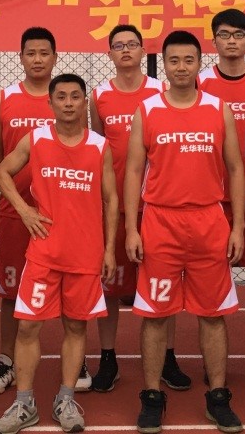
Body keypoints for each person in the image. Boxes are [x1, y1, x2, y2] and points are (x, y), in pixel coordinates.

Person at [124, 30, 245, 434]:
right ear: (165, 65)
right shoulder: (148, 110)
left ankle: (218, 397)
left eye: (188, 60)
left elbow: (235, 169)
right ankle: (151, 397)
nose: (181, 67)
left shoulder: (218, 108)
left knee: (213, 314)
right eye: (173, 60)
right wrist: (131, 227)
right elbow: (134, 171)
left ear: (198, 63)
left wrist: (238, 225)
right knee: (156, 314)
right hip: (160, 222)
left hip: (209, 220)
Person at [0, 74, 119, 434]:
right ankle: (24, 403)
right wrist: (24, 210)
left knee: (76, 326)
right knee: (29, 326)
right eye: (61, 97)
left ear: (84, 103)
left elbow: (111, 200)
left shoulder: (99, 146)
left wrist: (109, 249)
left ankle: (65, 399)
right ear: (50, 103)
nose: (68, 103)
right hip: (44, 253)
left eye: (75, 96)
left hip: (85, 255)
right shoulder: (36, 139)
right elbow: (2, 173)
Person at [0, 28, 92, 394]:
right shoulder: (3, 99)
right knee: (11, 289)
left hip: (63, 213)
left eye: (44, 53)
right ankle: (7, 361)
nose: (37, 59)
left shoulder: (68, 99)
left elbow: (83, 147)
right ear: (21, 57)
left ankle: (75, 361)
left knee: (69, 287)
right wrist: (20, 195)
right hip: (17, 212)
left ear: (55, 57)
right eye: (30, 53)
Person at [89, 25, 189, 394]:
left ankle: (167, 356)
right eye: (118, 45)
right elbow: (99, 148)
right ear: (110, 53)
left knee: (164, 282)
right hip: (115, 206)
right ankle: (108, 357)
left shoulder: (160, 91)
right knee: (110, 284)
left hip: (158, 205)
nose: (126, 50)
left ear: (143, 50)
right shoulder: (99, 95)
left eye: (132, 44)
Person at [197, 9, 245, 388]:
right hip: (213, 199)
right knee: (212, 278)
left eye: (239, 34)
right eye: (225, 34)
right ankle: (214, 360)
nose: (232, 41)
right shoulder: (200, 82)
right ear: (214, 40)